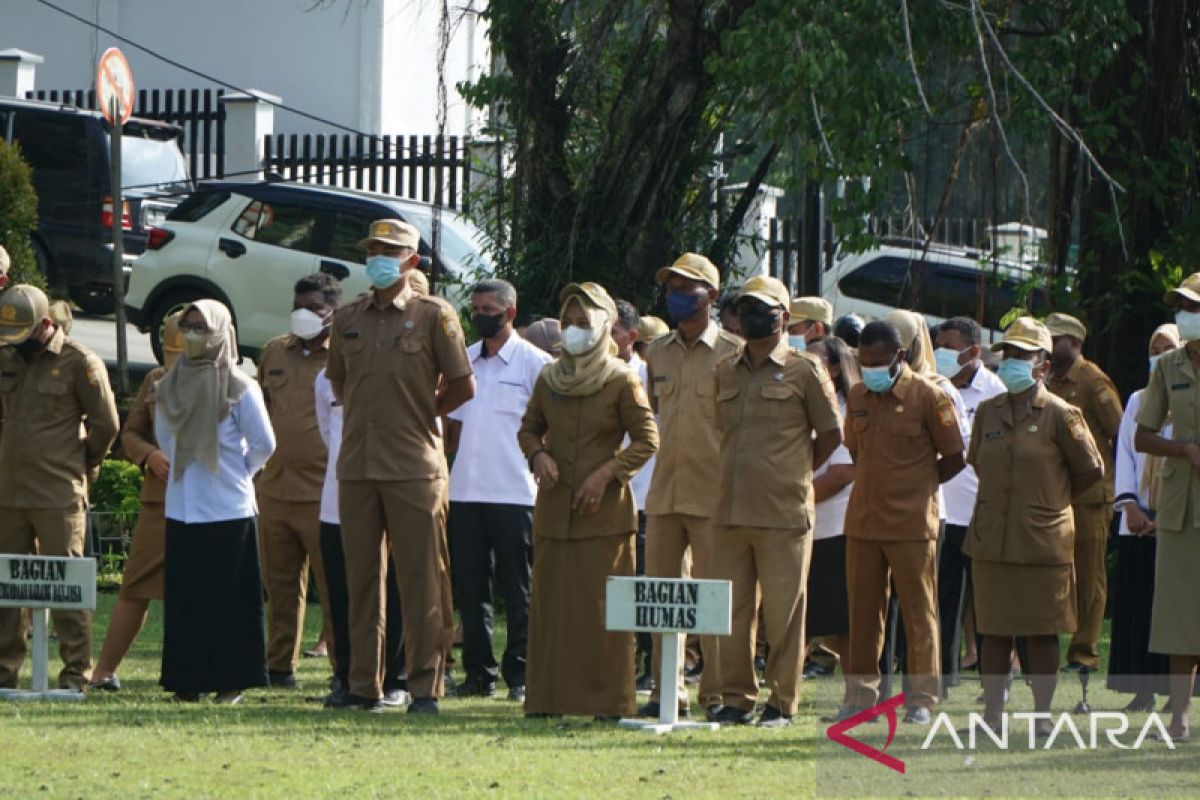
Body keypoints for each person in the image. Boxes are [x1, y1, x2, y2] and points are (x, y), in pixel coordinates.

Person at [326, 219, 475, 714]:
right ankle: (362, 684)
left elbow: (462, 385)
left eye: (390, 250)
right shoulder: (347, 317)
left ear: (412, 260)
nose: (379, 256)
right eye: (373, 248)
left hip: (414, 465)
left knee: (421, 579)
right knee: (361, 579)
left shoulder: (435, 314)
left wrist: (422, 411)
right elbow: (339, 383)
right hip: (358, 466)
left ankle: (424, 686)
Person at [517, 282, 658, 719]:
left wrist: (606, 474)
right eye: (569, 323)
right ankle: (546, 699)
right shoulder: (549, 377)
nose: (575, 331)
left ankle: (609, 702)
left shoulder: (620, 380)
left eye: (584, 323)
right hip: (555, 510)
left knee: (604, 610)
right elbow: (528, 429)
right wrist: (537, 454)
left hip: (605, 515)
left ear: (603, 328)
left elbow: (647, 440)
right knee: (552, 608)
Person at [707, 275, 842, 728]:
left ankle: (781, 702)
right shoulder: (724, 368)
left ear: (784, 318)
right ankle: (738, 698)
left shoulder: (806, 370)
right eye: (744, 308)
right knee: (734, 611)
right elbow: (718, 429)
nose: (750, 316)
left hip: (783, 511)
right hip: (729, 508)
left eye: (760, 309)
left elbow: (830, 436)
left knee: (785, 612)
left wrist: (796, 473)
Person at [965, 317, 1103, 733]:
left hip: (1043, 541)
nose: (1011, 362)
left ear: (1042, 365)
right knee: (994, 630)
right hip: (992, 537)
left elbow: (1090, 469)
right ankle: (992, 715)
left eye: (1022, 355)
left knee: (1042, 632)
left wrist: (1050, 502)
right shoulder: (988, 412)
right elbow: (976, 461)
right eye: (1008, 354)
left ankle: (1042, 716)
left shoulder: (1063, 415)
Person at [832, 319, 965, 725]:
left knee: (919, 612)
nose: (870, 368)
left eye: (878, 362)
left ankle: (922, 699)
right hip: (863, 523)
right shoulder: (857, 396)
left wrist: (920, 486)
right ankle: (861, 697)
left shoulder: (930, 396)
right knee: (862, 614)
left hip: (912, 526)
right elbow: (856, 451)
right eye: (863, 361)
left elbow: (956, 457)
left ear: (900, 357)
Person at [0, 285, 120, 692]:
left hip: (58, 494)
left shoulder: (79, 362)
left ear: (46, 324)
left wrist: (82, 462)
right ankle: (4, 675)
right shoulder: (6, 357)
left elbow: (107, 424)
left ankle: (74, 677)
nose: (15, 343)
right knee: (7, 590)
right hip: (9, 493)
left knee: (68, 588)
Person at [157, 300, 275, 703]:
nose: (193, 334)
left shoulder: (241, 385)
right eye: (187, 326)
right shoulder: (169, 384)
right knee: (187, 599)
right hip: (182, 504)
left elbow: (264, 444)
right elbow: (163, 439)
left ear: (222, 332)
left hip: (228, 506)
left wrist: (240, 470)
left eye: (201, 327)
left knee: (229, 600)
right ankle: (187, 680)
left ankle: (231, 681)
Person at [639, 253, 741, 719]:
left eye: (687, 288)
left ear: (711, 296)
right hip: (663, 494)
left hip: (715, 495)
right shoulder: (656, 351)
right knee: (662, 597)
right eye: (672, 287)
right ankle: (667, 694)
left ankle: (716, 694)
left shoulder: (734, 353)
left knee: (714, 599)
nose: (676, 296)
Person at [444, 279, 550, 702]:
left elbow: (550, 429)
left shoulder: (535, 363)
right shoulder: (464, 360)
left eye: (488, 308)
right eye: (474, 308)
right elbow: (450, 426)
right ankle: (479, 673)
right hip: (466, 491)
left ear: (509, 312)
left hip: (516, 491)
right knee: (470, 587)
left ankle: (520, 673)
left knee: (519, 586)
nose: (479, 315)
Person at [89, 312, 185, 691]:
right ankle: (104, 671)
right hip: (159, 501)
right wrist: (148, 454)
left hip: (210, 503)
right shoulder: (155, 380)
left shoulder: (227, 384)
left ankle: (195, 674)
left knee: (203, 590)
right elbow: (130, 433)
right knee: (135, 587)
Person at [256, 273, 341, 688]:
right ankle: (279, 666)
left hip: (324, 490)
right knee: (280, 584)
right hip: (274, 487)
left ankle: (346, 671)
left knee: (334, 586)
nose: (303, 315)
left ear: (333, 313)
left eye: (314, 308)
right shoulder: (275, 351)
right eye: (298, 307)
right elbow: (259, 411)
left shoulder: (344, 354)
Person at [314, 364, 408, 709]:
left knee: (392, 591)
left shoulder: (398, 371)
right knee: (341, 593)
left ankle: (396, 677)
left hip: (388, 497)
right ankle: (346, 677)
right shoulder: (324, 378)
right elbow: (328, 433)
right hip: (337, 499)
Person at [1134, 272, 1200, 743]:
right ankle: (1178, 719)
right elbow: (1143, 435)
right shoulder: (1167, 367)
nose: (1185, 315)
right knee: (1178, 616)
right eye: (1182, 307)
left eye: (1193, 307)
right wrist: (1184, 450)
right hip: (1179, 504)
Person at [1107, 323, 1181, 712]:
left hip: (1176, 519)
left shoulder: (1189, 400)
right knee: (1136, 604)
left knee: (1171, 609)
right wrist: (1130, 505)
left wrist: (1166, 513)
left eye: (1167, 347)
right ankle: (1141, 688)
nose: (1159, 354)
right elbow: (1125, 455)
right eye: (1154, 347)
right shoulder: (1137, 400)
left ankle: (1176, 692)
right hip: (1136, 518)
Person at [1044, 312, 1122, 674]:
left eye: (1054, 338)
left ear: (1074, 343)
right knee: (1054, 572)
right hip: (1057, 492)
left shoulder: (1093, 381)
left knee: (1090, 576)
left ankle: (1083, 652)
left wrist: (1120, 491)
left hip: (1091, 494)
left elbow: (1120, 434)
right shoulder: (1048, 378)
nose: (1048, 343)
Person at [932, 316, 1006, 689]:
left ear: (973, 352)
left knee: (990, 600)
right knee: (947, 599)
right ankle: (946, 674)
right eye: (938, 344)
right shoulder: (935, 387)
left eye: (948, 346)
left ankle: (998, 677)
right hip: (946, 511)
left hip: (983, 510)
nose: (939, 353)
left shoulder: (995, 393)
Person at [801, 335, 859, 679]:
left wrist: (793, 498)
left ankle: (856, 690)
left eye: (816, 360)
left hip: (836, 527)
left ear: (835, 368)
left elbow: (842, 473)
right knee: (805, 614)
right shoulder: (801, 401)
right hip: (804, 525)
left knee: (841, 618)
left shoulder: (849, 408)